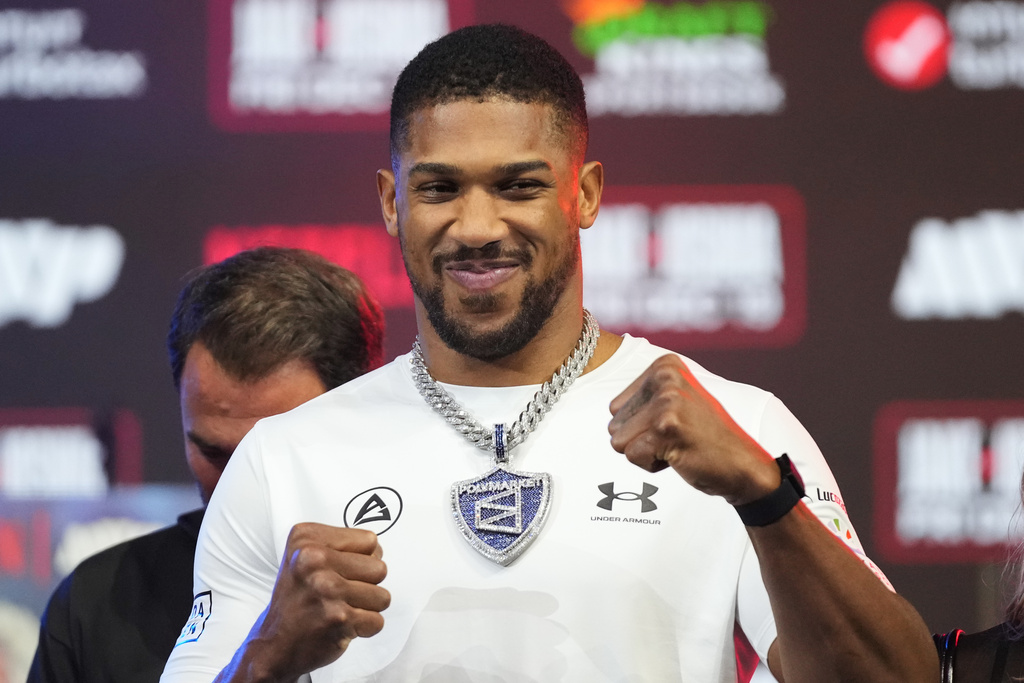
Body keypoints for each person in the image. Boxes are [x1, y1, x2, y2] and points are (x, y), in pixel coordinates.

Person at [161, 25, 938, 682]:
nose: (475, 225)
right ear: (392, 203)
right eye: (438, 189)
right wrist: (266, 657)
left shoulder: (740, 427)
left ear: (587, 193)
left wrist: (765, 496)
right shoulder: (284, 458)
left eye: (518, 185)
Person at [27, 247, 384, 683]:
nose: (239, 486)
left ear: (361, 413)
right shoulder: (97, 606)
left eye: (272, 457)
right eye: (215, 454)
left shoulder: (446, 576)